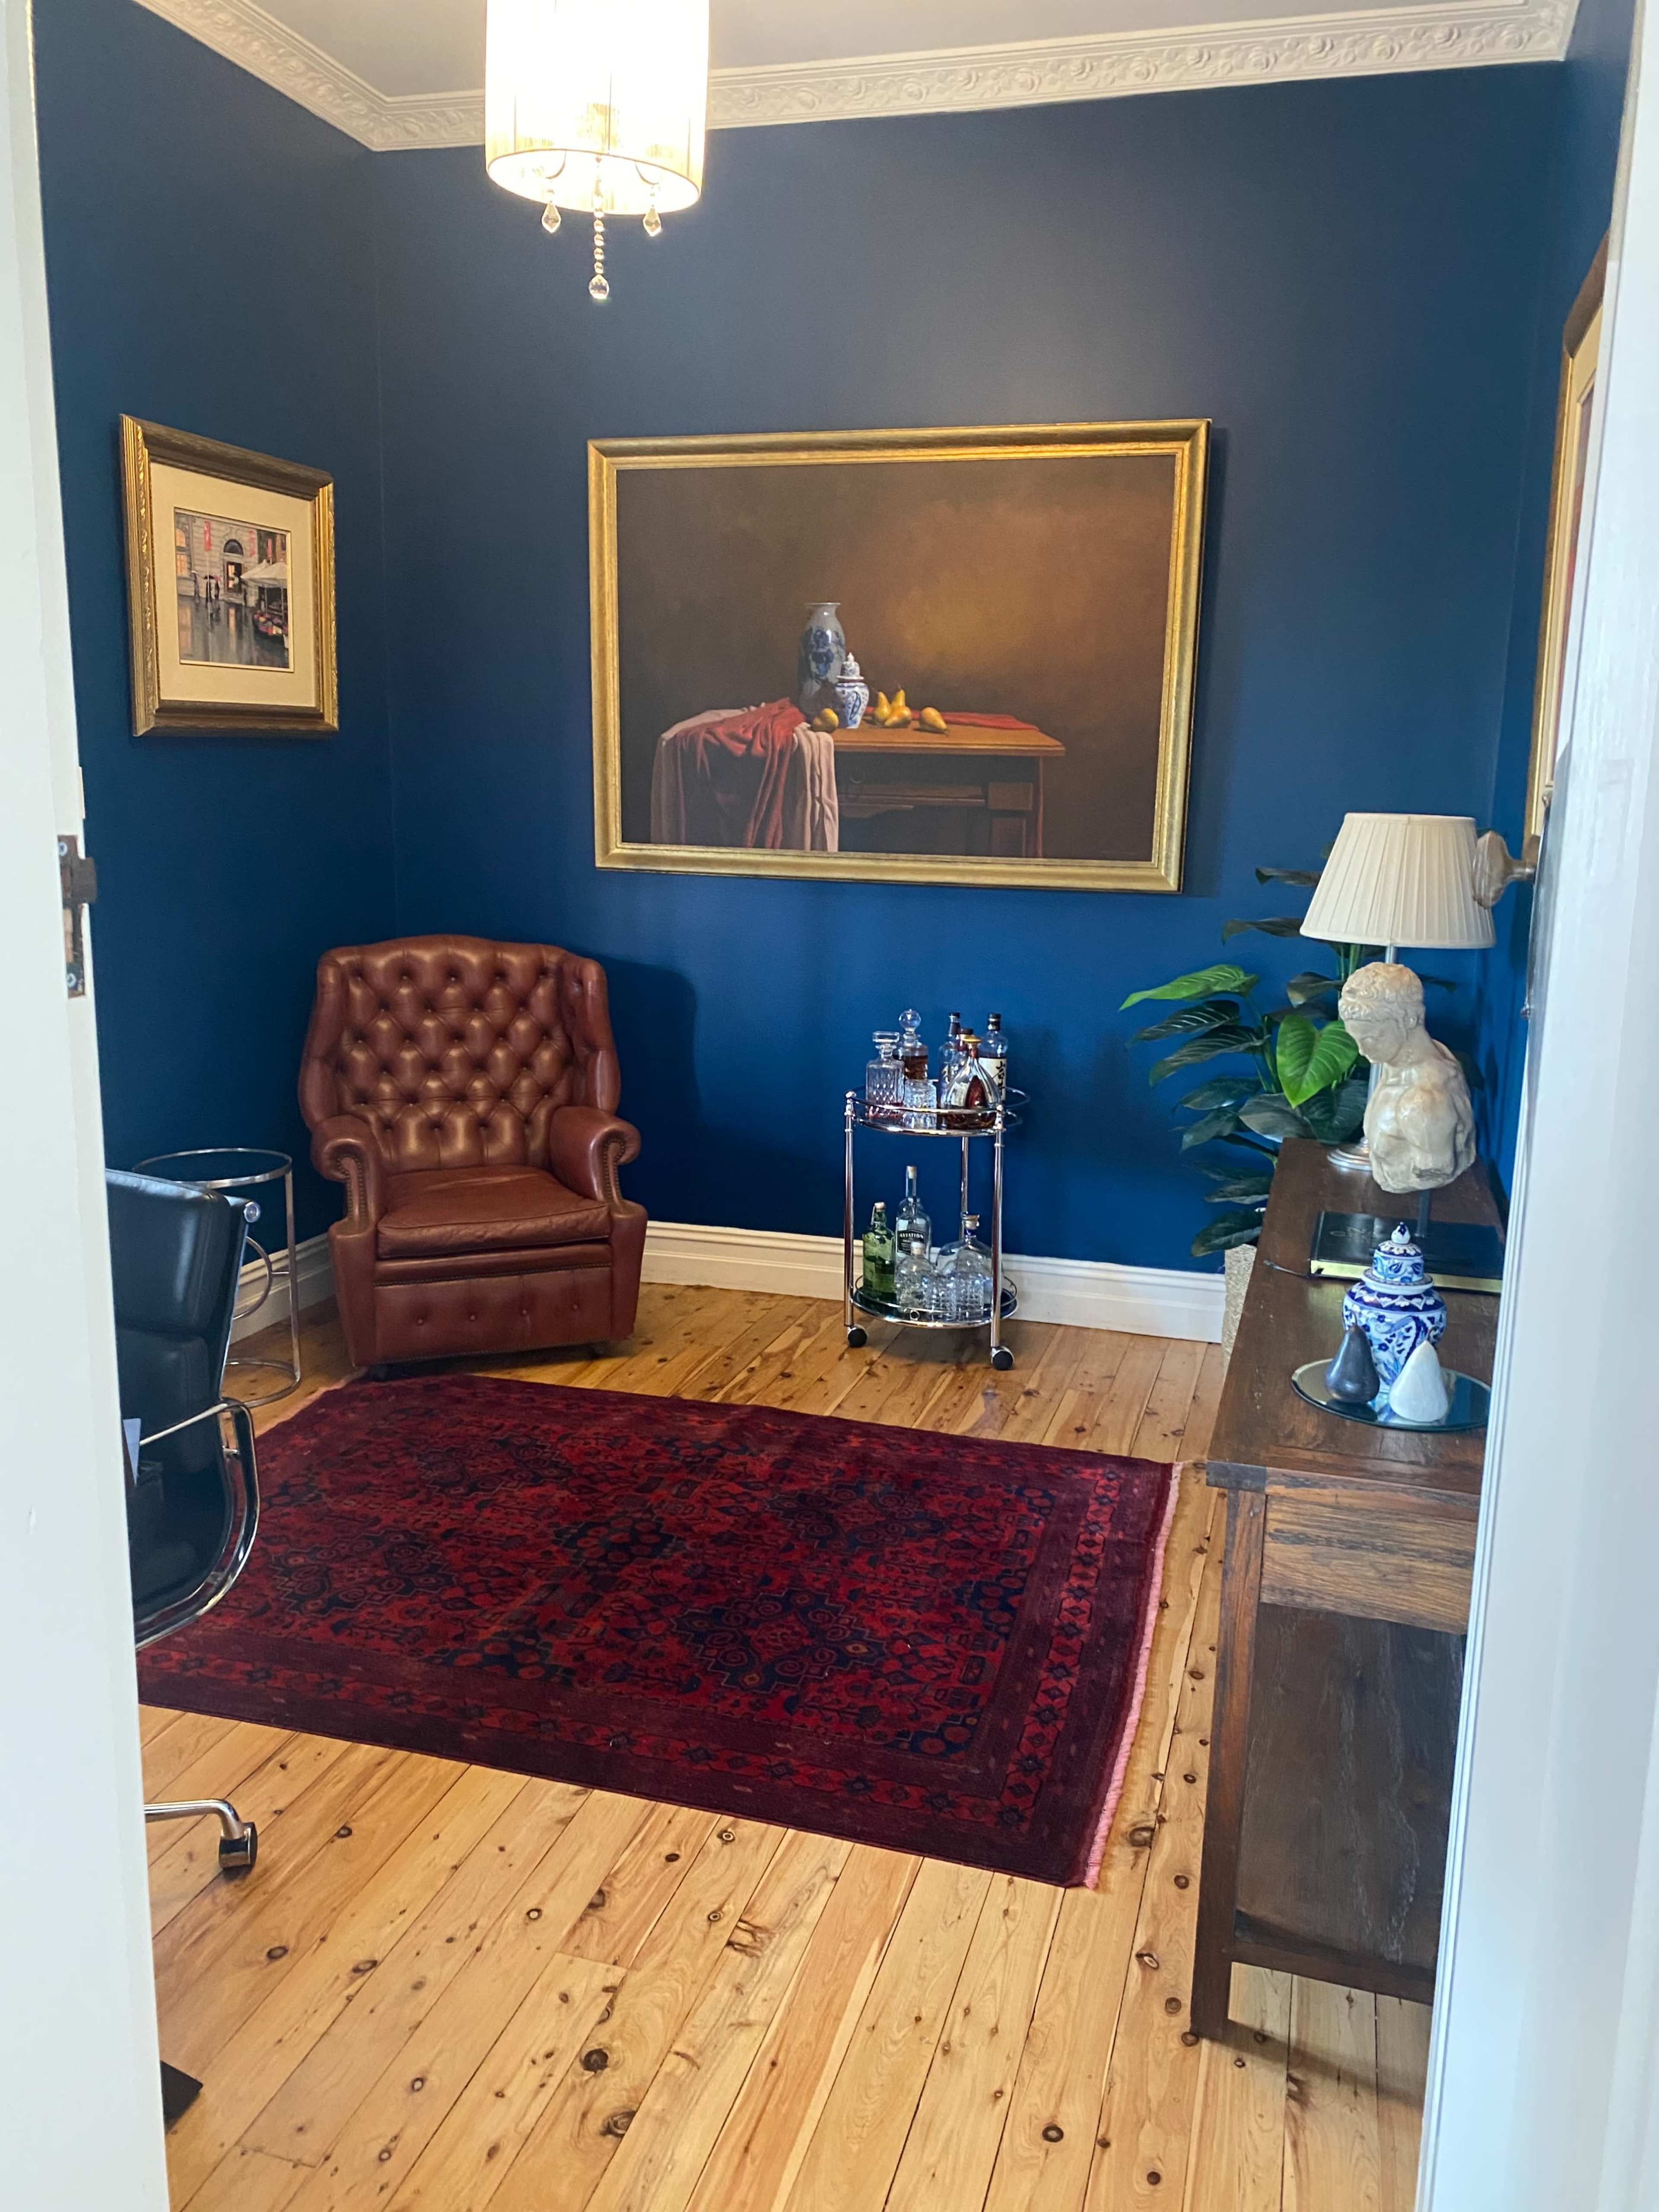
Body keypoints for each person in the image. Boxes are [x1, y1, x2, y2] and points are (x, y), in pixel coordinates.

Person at [1337, 962, 1476, 1192]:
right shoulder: (1397, 1061)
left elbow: (1433, 1174)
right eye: (1356, 1039)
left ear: (1411, 1019)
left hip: (1408, 1201)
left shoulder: (1422, 1103)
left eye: (1372, 1039)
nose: (1362, 1051)